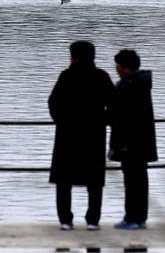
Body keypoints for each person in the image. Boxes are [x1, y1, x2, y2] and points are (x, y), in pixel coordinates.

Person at [48, 41, 115, 231]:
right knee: (94, 180)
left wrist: (60, 121)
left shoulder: (66, 76)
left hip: (67, 134)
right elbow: (114, 103)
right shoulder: (101, 76)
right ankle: (93, 220)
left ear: (73, 56)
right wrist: (104, 120)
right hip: (94, 134)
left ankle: (65, 219)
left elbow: (53, 102)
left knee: (64, 180)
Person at [108, 49, 157, 230]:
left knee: (131, 181)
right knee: (140, 179)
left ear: (125, 67)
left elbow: (115, 112)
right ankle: (140, 217)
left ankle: (131, 217)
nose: (117, 70)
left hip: (128, 142)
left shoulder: (126, 86)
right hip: (143, 140)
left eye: (118, 67)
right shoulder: (143, 83)